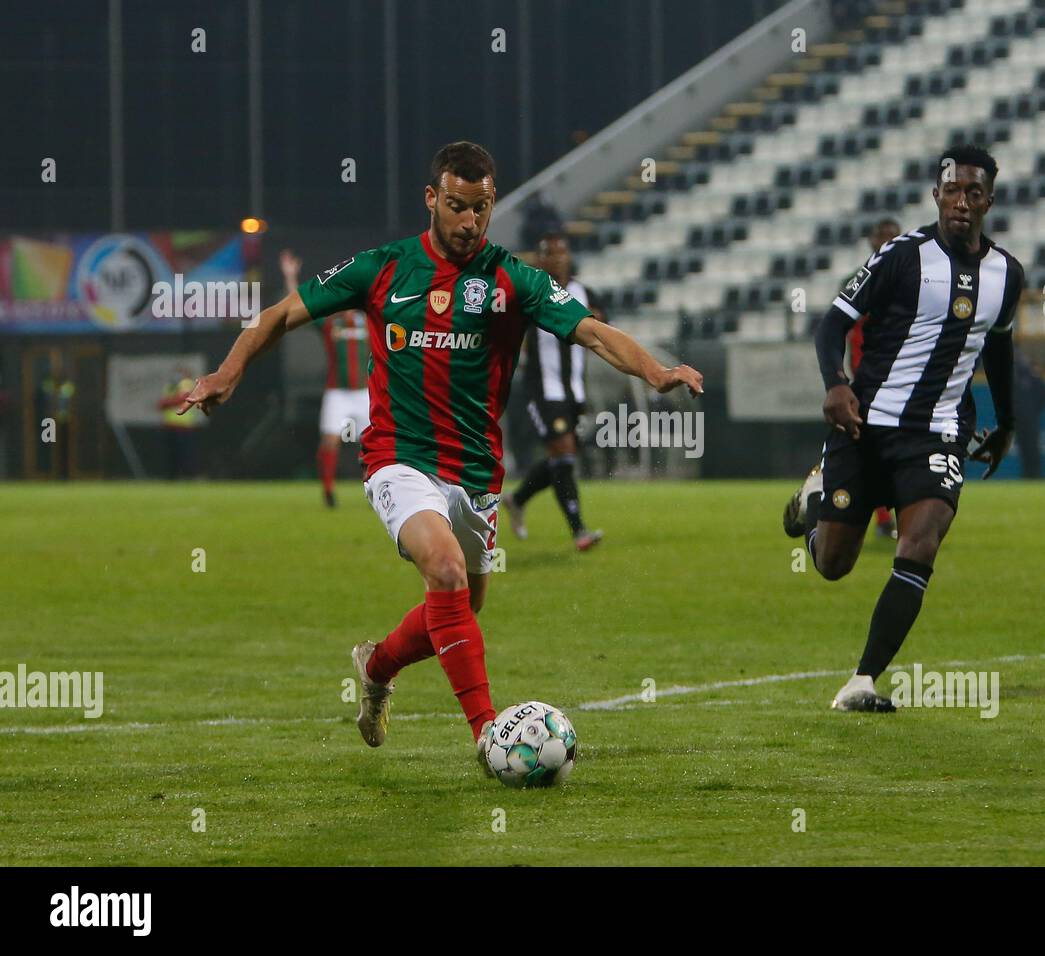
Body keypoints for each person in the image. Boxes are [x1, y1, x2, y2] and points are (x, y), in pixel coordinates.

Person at [181, 141, 702, 769]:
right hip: (398, 458)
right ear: (432, 198)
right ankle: (489, 735)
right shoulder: (383, 268)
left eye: (481, 209)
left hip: (477, 472)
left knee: (461, 607)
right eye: (457, 206)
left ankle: (375, 667)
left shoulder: (511, 279)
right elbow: (282, 313)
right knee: (448, 573)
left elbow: (591, 329)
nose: (469, 222)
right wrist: (227, 372)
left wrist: (655, 370)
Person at [782, 144, 1023, 712]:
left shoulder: (1006, 274)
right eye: (952, 190)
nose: (962, 201)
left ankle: (861, 681)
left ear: (989, 200)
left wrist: (1005, 422)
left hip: (938, 433)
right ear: (936, 195)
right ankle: (816, 502)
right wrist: (835, 384)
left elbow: (1001, 350)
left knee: (922, 541)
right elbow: (830, 327)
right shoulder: (901, 255)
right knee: (834, 564)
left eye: (974, 192)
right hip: (866, 424)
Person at [501, 232, 602, 550]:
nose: (557, 258)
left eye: (562, 252)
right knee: (564, 454)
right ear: (538, 259)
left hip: (574, 392)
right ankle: (579, 531)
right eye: (549, 253)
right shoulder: (529, 292)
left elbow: (602, 330)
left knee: (563, 458)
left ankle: (516, 500)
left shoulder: (584, 292)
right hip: (542, 390)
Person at [279, 249, 370, 507]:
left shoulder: (371, 321)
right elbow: (299, 308)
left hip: (365, 392)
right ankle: (328, 491)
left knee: (374, 447)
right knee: (330, 440)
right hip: (337, 392)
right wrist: (290, 277)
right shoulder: (331, 323)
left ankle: (378, 491)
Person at [847, 217, 902, 539]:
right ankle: (883, 519)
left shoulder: (917, 280)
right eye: (881, 236)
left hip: (909, 381)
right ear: (870, 241)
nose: (886, 242)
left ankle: (903, 516)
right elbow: (852, 336)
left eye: (892, 237)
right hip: (874, 382)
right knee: (876, 450)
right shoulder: (861, 281)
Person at [1013, 352, 1045, 479]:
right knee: (1023, 448)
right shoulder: (1015, 379)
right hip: (1021, 420)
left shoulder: (1034, 379)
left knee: (1033, 448)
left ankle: (1036, 474)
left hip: (1031, 420)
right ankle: (1027, 474)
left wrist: (1033, 411)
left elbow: (1043, 396)